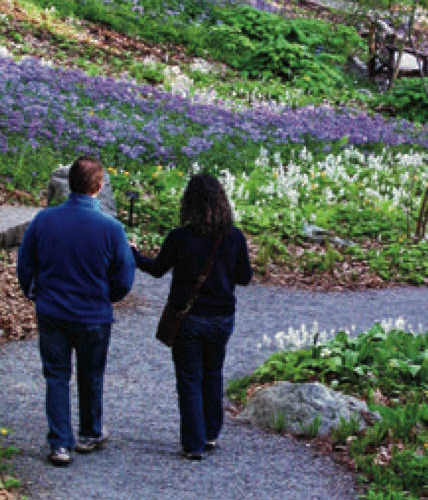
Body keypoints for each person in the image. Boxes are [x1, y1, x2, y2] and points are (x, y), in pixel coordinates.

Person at [17, 156, 136, 466]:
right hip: (93, 313)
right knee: (91, 375)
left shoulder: (44, 220)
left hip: (53, 310)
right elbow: (124, 276)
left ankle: (59, 443)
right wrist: (108, 296)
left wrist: (32, 290)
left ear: (69, 184)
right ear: (98, 187)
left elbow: (25, 262)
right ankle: (89, 432)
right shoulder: (111, 228)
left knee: (56, 376)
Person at [133, 174, 252, 460]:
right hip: (222, 316)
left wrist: (134, 254)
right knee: (213, 373)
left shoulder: (180, 237)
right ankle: (211, 432)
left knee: (188, 378)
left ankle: (193, 442)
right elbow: (244, 278)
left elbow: (158, 269)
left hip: (188, 317)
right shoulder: (234, 237)